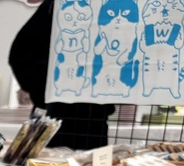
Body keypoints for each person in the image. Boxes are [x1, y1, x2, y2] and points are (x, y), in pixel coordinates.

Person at [8, 0, 114, 150]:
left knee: (90, 162)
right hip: (56, 113)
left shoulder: (109, 9)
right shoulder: (56, 6)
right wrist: (47, 88)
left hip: (93, 115)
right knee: (48, 161)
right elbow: (21, 55)